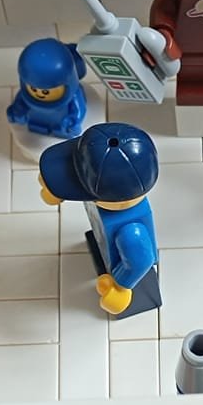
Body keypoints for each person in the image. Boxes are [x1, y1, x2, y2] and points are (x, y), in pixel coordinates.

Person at [39, 122, 161, 318]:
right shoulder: (102, 196)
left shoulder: (130, 231)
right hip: (103, 240)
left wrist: (121, 286)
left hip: (127, 269)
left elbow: (140, 261)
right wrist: (56, 187)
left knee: (136, 274)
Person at [5, 37, 88, 140]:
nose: (39, 94)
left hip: (60, 127)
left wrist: (73, 121)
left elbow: (78, 109)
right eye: (34, 89)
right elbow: (20, 103)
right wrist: (17, 111)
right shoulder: (26, 95)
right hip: (35, 123)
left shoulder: (73, 95)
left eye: (45, 92)